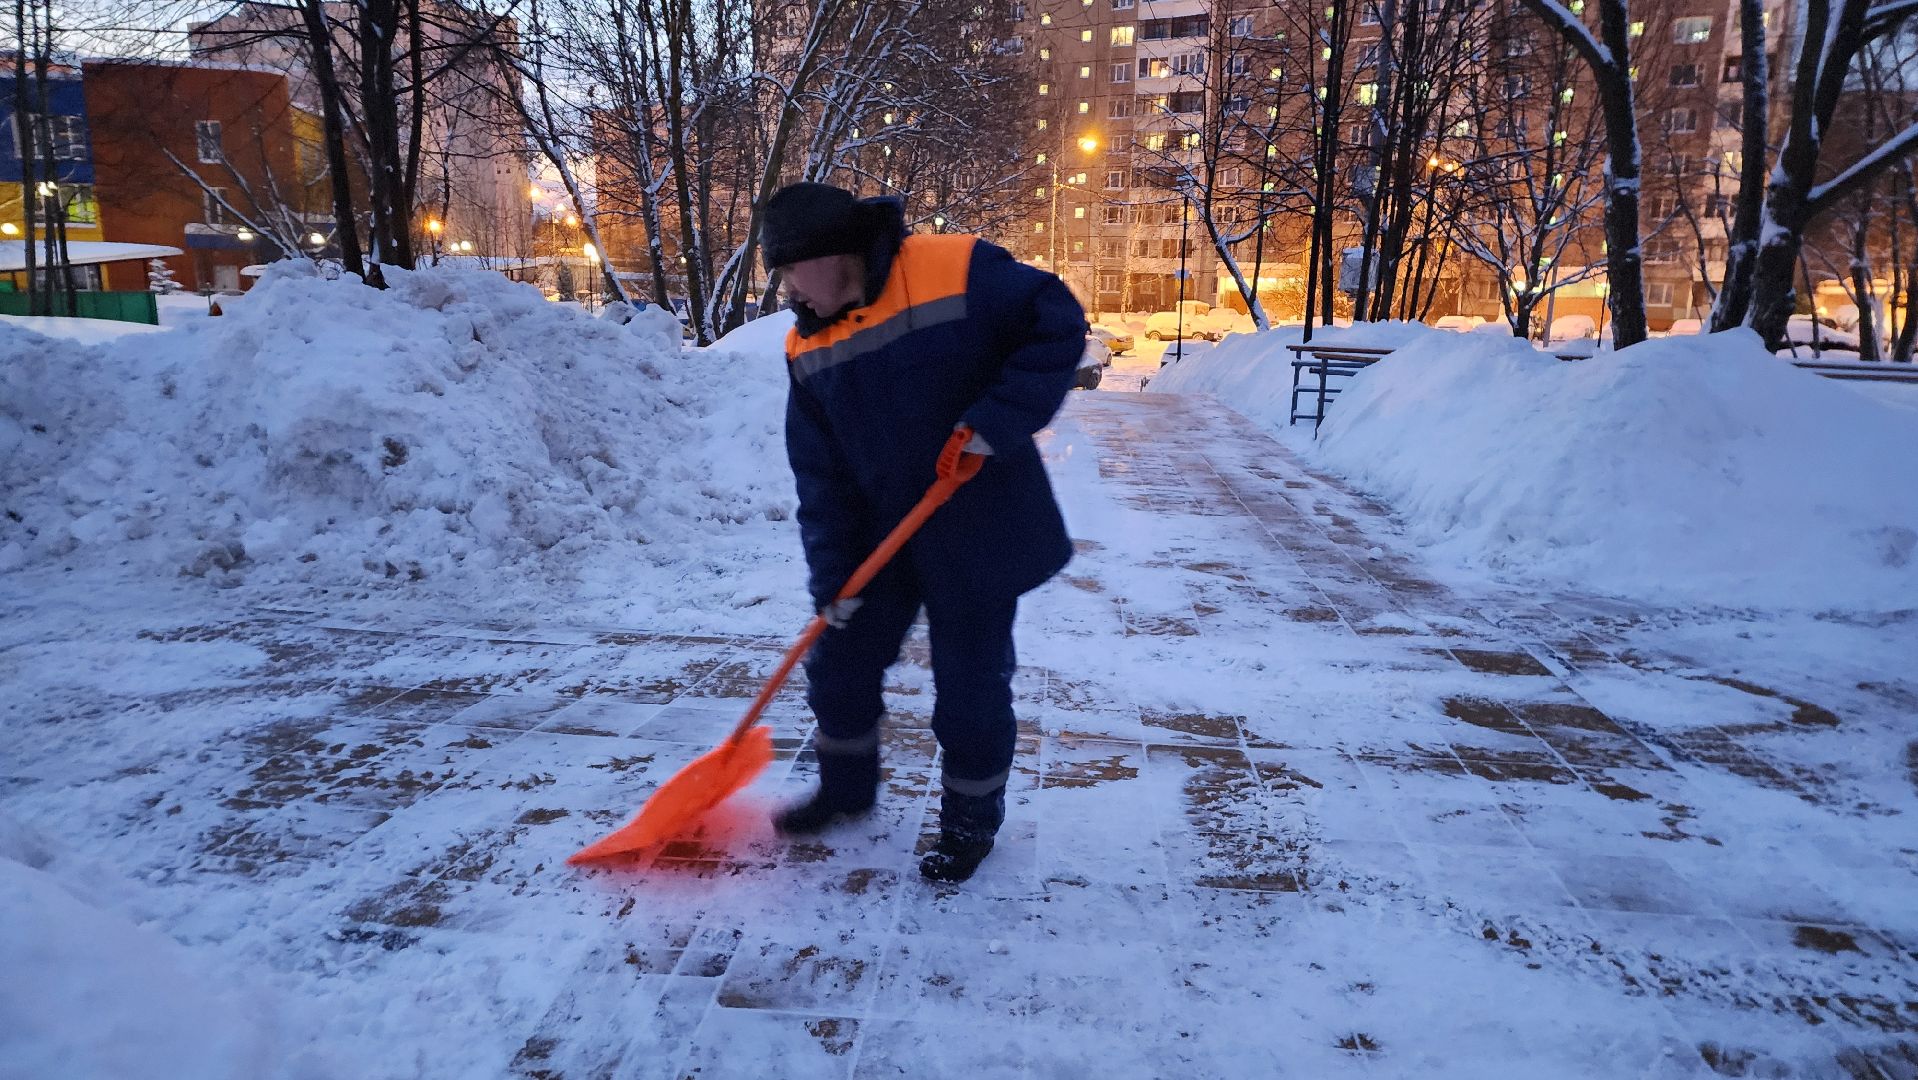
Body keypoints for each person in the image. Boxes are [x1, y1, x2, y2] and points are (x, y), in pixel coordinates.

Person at [761, 181, 1087, 883]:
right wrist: (832, 582)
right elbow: (821, 480)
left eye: (790, 269)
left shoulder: (951, 267)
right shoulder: (805, 348)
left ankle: (969, 821)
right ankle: (845, 793)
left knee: (969, 684)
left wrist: (993, 423)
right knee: (840, 664)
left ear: (831, 254)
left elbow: (1055, 320)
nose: (789, 289)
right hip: (883, 536)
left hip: (978, 522)